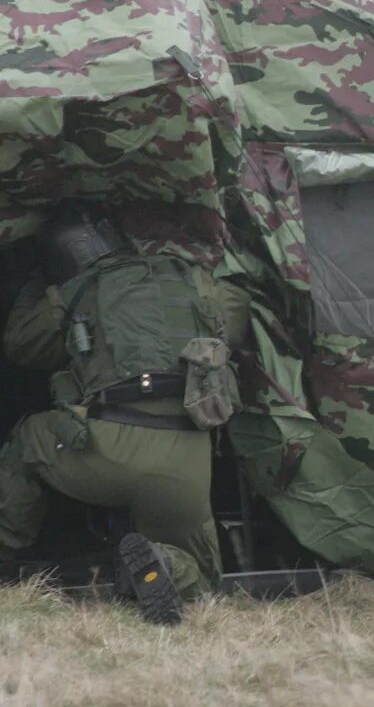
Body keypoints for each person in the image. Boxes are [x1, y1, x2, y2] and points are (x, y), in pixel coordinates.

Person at [0, 204, 248, 624]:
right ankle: (161, 565)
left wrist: (33, 289)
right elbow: (238, 316)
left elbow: (21, 346)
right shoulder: (193, 281)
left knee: (29, 440)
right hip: (185, 461)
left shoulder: (78, 290)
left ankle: (6, 554)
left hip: (106, 449)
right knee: (202, 575)